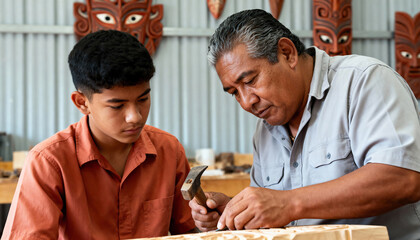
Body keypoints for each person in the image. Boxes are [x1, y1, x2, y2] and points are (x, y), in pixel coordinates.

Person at [189, 9, 420, 240]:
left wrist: (288, 203)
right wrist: (236, 213)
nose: (247, 102)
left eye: (250, 81)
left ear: (287, 53)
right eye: (234, 93)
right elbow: (273, 216)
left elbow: (404, 178)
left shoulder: (364, 81)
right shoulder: (265, 130)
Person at [2, 30, 197, 239]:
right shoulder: (49, 162)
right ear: (82, 103)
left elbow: (190, 231)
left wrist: (208, 219)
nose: (135, 117)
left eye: (143, 99)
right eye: (117, 106)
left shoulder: (169, 150)